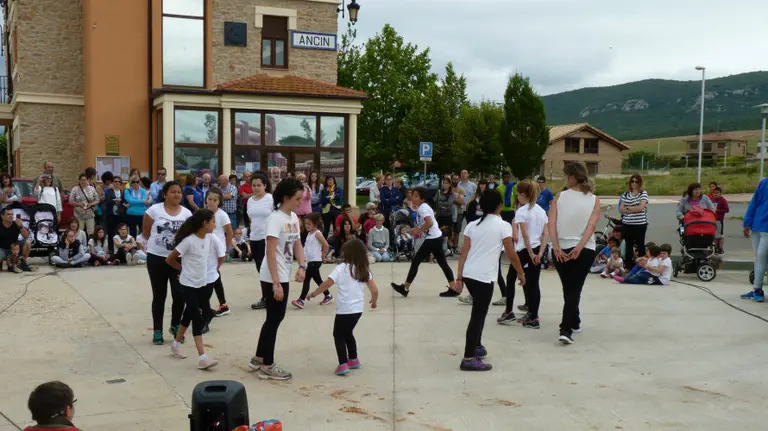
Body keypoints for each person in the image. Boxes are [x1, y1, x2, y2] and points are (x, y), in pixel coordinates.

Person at [455, 189, 525, 371]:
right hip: (484, 277)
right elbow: (511, 253)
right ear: (500, 206)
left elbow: (464, 253)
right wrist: (520, 272)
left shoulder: (472, 225)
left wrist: (459, 277)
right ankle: (468, 357)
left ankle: (476, 346)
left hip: (470, 274)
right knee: (478, 316)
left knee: (479, 312)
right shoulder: (503, 226)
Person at [248, 179, 307, 381]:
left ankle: (259, 357)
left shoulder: (292, 218)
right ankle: (267, 365)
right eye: (298, 198)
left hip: (283, 274)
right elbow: (271, 251)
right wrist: (275, 283)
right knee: (274, 319)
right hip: (273, 275)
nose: (300, 202)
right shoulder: (275, 219)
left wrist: (302, 266)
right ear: (286, 198)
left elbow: (297, 244)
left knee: (274, 318)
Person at [310, 238, 378, 376]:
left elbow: (328, 283)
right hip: (357, 310)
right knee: (348, 333)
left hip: (344, 310)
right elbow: (375, 290)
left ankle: (343, 364)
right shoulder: (363, 269)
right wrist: (374, 301)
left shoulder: (341, 268)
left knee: (338, 335)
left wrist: (315, 293)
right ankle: (353, 359)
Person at [549, 162, 600, 345]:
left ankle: (566, 327)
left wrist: (555, 247)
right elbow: (591, 226)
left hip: (561, 248)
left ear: (571, 176)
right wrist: (580, 246)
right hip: (584, 249)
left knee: (569, 288)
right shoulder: (594, 199)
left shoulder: (559, 197)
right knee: (573, 289)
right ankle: (573, 322)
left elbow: (552, 223)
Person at [165, 208, 220, 370]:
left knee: (188, 315)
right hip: (188, 284)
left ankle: (175, 344)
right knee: (197, 317)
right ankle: (203, 357)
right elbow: (170, 259)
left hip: (201, 283)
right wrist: (182, 270)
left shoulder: (209, 238)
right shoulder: (188, 241)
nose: (214, 225)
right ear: (205, 223)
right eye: (213, 221)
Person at [143, 181, 193, 345]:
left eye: (179, 192)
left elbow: (189, 236)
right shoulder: (153, 211)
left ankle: (175, 325)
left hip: (177, 259)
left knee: (179, 295)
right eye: (173, 192)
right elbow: (146, 232)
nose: (177, 195)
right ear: (165, 194)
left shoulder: (186, 214)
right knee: (159, 296)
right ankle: (158, 330)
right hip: (156, 258)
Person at [497, 180, 548, 328]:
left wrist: (531, 253)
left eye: (517, 194)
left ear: (523, 195)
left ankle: (508, 312)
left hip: (525, 250)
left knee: (511, 277)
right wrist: (540, 252)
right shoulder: (541, 211)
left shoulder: (522, 211)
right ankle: (534, 316)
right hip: (538, 249)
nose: (517, 197)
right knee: (533, 283)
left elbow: (524, 235)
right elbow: (545, 234)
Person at [391, 187, 458, 298]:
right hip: (437, 237)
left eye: (416, 196)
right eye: (413, 195)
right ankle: (453, 288)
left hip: (433, 238)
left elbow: (429, 223)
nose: (413, 197)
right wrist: (418, 229)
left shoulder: (422, 208)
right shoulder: (423, 207)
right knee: (443, 263)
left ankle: (405, 288)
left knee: (416, 261)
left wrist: (418, 230)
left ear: (422, 199)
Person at [247, 173, 274, 311]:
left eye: (259, 185)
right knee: (260, 268)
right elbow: (251, 219)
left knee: (267, 268)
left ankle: (268, 298)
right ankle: (267, 296)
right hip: (254, 238)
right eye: (254, 185)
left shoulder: (270, 199)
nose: (256, 188)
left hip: (267, 238)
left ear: (265, 185)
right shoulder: (250, 200)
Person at [293, 212, 331, 308]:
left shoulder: (317, 233)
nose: (306, 226)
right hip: (311, 262)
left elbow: (326, 245)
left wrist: (323, 256)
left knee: (306, 279)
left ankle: (301, 300)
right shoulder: (310, 234)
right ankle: (328, 295)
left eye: (309, 224)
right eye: (305, 224)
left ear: (315, 224)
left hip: (315, 261)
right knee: (318, 280)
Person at [205, 188, 234, 316]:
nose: (212, 202)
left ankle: (220, 304)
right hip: (206, 250)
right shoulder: (203, 213)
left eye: (215, 200)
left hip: (217, 251)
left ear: (219, 202)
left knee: (213, 276)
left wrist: (225, 249)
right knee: (214, 276)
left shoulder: (222, 215)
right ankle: (222, 304)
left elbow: (229, 233)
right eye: (209, 199)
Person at [741, 177, 768, 302]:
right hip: (757, 226)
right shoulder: (764, 182)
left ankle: (758, 289)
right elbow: (754, 201)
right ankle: (757, 289)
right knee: (758, 258)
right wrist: (747, 222)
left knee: (762, 257)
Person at [619, 174, 649, 269]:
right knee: (628, 245)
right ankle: (628, 266)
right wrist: (633, 209)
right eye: (632, 181)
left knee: (640, 245)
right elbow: (621, 209)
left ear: (640, 183)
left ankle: (642, 266)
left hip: (640, 224)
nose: (634, 183)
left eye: (636, 181)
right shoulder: (626, 194)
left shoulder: (643, 193)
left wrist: (628, 208)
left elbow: (641, 207)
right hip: (627, 223)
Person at [435, 177, 457, 254]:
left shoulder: (452, 194)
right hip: (439, 215)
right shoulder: (439, 192)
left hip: (447, 215)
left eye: (446, 183)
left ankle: (447, 249)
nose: (444, 185)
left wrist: (441, 203)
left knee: (446, 232)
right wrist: (442, 204)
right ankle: (438, 248)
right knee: (438, 232)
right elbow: (435, 201)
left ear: (450, 184)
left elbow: (449, 203)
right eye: (444, 183)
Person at [710, 186, 730, 254]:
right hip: (712, 219)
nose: (715, 194)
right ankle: (715, 248)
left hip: (719, 220)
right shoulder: (711, 200)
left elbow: (727, 210)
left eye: (717, 193)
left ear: (720, 193)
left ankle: (721, 248)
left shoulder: (723, 200)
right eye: (714, 193)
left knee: (720, 235)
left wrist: (718, 210)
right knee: (714, 235)